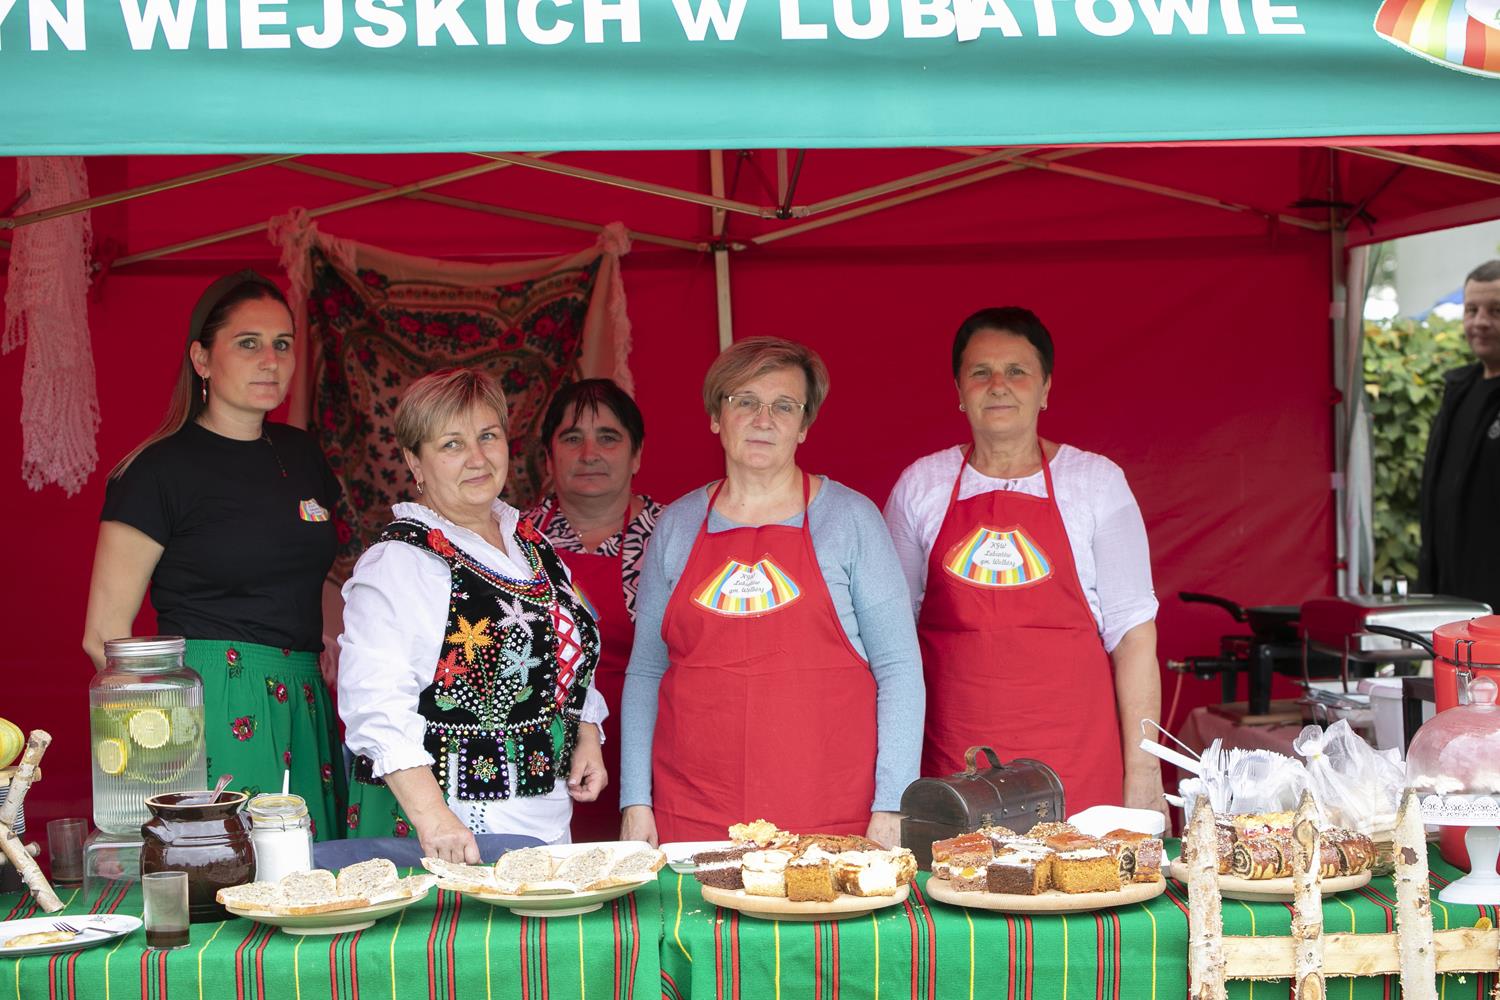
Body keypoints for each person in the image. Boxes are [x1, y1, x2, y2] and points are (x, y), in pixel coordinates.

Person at [619, 337, 923, 848]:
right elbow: (646, 671)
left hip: (828, 812)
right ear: (716, 416)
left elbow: (899, 668)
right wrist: (635, 801)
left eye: (784, 406)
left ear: (803, 426)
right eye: (745, 401)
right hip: (693, 813)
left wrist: (892, 803)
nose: (764, 419)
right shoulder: (676, 526)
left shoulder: (850, 519)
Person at [83, 270, 347, 838]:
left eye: (282, 344)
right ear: (201, 359)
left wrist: (329, 639)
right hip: (212, 698)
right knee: (229, 867)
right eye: (248, 344)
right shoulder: (156, 471)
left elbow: (316, 569)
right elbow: (103, 634)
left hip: (304, 695)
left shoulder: (302, 455)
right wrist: (163, 739)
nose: (270, 361)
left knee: (312, 871)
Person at [884, 307, 1164, 818]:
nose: (998, 386)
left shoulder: (1096, 483)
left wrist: (1144, 775)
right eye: (980, 372)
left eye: (1016, 371)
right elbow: (891, 641)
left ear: (1045, 388)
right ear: (959, 390)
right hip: (956, 761)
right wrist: (891, 781)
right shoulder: (920, 485)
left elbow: (1134, 638)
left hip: (1076, 759)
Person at [337, 368, 608, 861]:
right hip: (452, 824)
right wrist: (433, 817)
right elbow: (375, 703)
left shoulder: (530, 544)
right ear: (414, 461)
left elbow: (565, 650)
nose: (477, 458)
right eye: (452, 445)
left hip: (545, 810)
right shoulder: (402, 562)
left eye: (488, 436)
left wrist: (585, 730)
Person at [523, 379, 662, 843]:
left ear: (637, 455)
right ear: (548, 458)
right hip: (547, 756)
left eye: (608, 437)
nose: (589, 453)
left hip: (653, 749)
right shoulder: (517, 542)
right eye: (571, 438)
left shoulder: (673, 534)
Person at [1419, 260, 1500, 612]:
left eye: (1496, 311)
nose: (1480, 322)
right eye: (1471, 310)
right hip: (1450, 604)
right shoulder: (1458, 391)